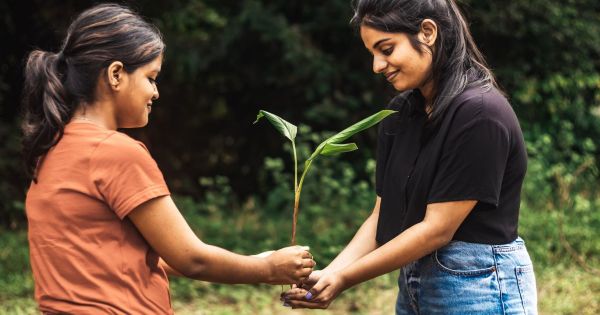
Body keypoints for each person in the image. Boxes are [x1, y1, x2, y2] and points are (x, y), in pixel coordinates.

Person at [21, 4, 314, 314]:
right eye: (151, 77)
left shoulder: (51, 150)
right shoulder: (116, 152)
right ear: (116, 74)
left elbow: (128, 254)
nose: (156, 92)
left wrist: (254, 262)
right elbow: (191, 259)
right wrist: (268, 269)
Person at [283, 0, 538, 313]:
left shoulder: (480, 114)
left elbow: (436, 229)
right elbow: (383, 216)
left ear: (428, 32)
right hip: (416, 285)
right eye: (372, 54)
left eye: (386, 49)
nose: (376, 66)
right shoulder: (400, 114)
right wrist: (330, 274)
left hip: (478, 287)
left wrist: (344, 278)